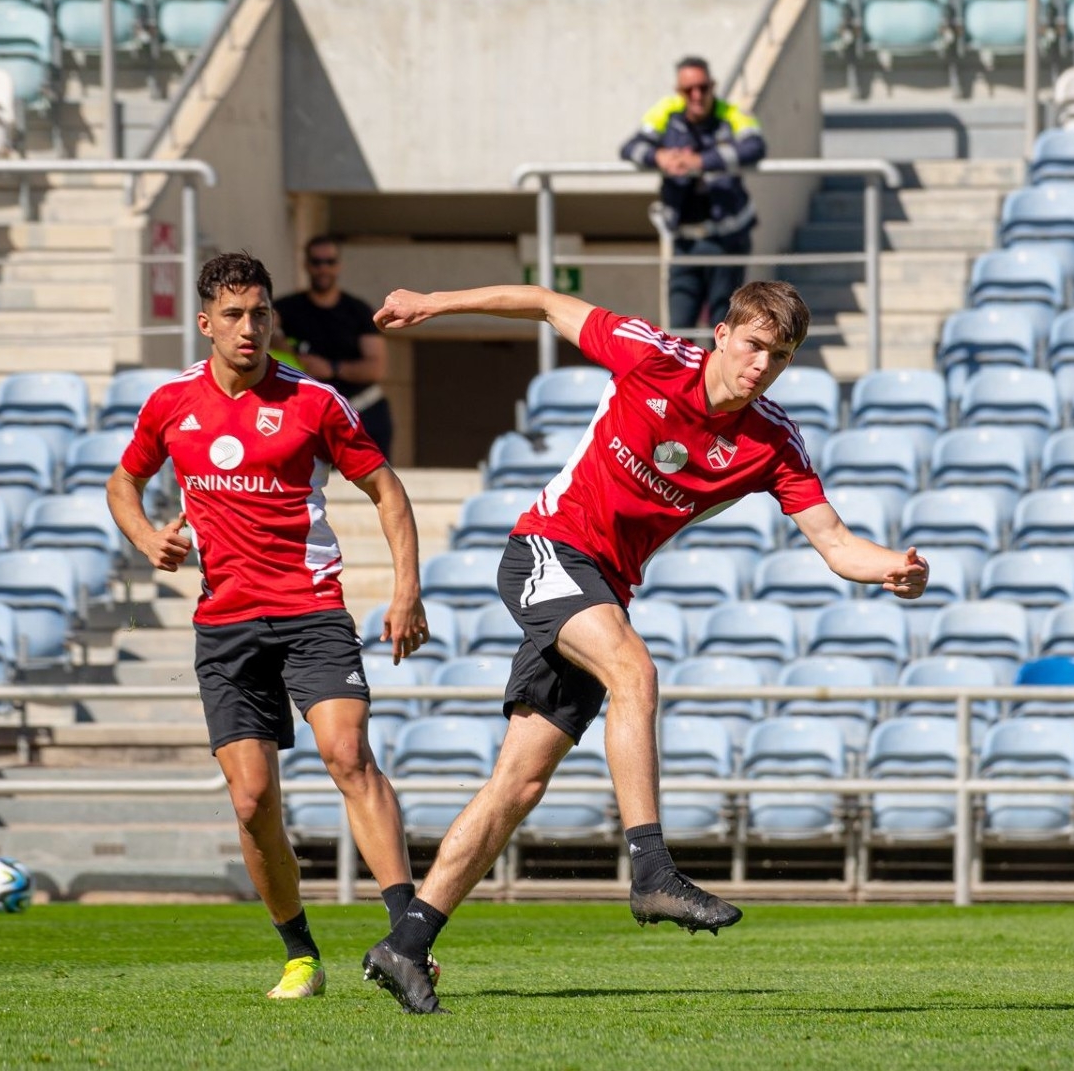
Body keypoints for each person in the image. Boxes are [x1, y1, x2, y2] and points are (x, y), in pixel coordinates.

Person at [356, 279, 930, 1015]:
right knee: (635, 667)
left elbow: (837, 543)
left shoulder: (772, 442)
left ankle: (406, 943)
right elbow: (541, 300)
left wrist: (894, 570)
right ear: (722, 335)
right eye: (753, 345)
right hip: (546, 552)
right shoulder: (651, 356)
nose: (762, 365)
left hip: (602, 588)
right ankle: (652, 868)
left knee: (519, 785)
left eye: (780, 356)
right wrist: (432, 303)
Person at [106, 251, 430, 1000]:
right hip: (225, 625)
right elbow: (124, 479)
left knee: (347, 754)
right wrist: (147, 535)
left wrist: (406, 590)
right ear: (205, 323)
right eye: (233, 316)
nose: (249, 328)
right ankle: (299, 954)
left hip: (312, 609)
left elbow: (385, 489)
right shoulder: (170, 403)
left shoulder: (315, 402)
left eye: (260, 314)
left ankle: (408, 939)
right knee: (253, 802)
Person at [621, 56, 765, 333]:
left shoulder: (730, 114)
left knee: (724, 332)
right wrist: (658, 156)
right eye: (689, 90)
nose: (697, 95)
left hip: (728, 240)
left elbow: (754, 147)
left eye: (703, 87)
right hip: (684, 242)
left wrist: (700, 161)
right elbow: (630, 147)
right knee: (679, 332)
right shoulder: (667, 115)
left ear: (712, 86)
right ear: (680, 91)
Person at [273, 236, 395, 456]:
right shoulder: (285, 308)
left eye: (329, 262)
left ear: (338, 265)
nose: (323, 268)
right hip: (309, 416)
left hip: (363, 411)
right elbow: (258, 332)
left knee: (376, 484)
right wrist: (283, 346)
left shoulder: (358, 310)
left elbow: (377, 368)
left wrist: (332, 368)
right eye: (317, 262)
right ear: (306, 265)